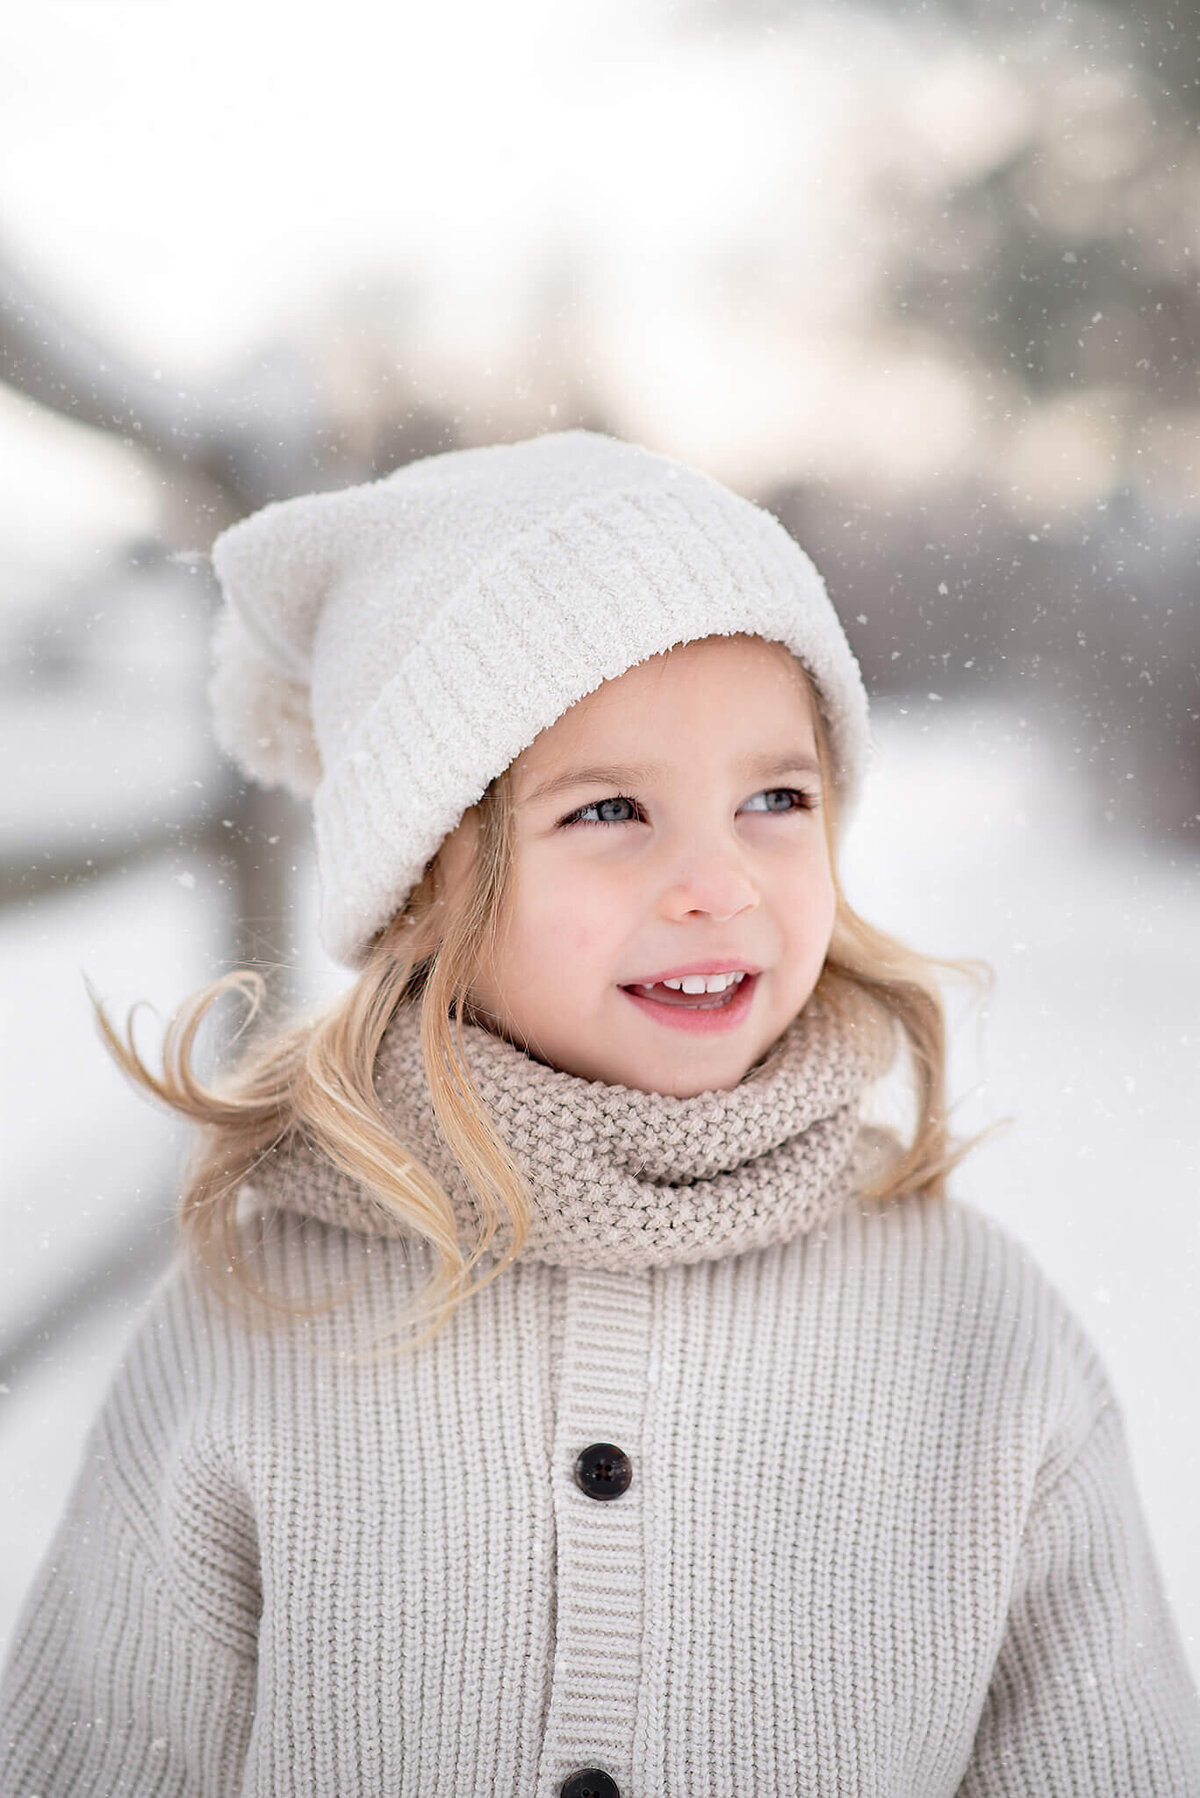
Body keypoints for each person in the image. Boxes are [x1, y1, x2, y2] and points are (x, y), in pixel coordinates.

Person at [1, 430, 1196, 1797]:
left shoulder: (978, 1331)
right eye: (613, 808)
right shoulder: (256, 1319)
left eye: (776, 798)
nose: (716, 880)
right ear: (423, 888)